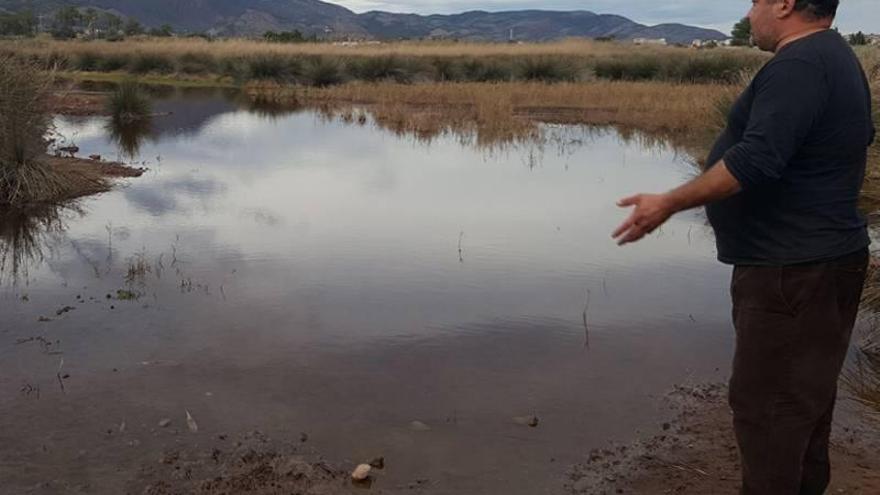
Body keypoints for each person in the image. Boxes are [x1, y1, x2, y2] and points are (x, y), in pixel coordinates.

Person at [611, 0, 875, 493]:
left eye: (754, 1)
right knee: (805, 404)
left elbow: (757, 160)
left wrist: (669, 202)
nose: (749, 12)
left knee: (770, 412)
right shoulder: (837, 57)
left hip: (790, 272)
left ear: (784, 3)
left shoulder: (797, 65)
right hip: (826, 261)